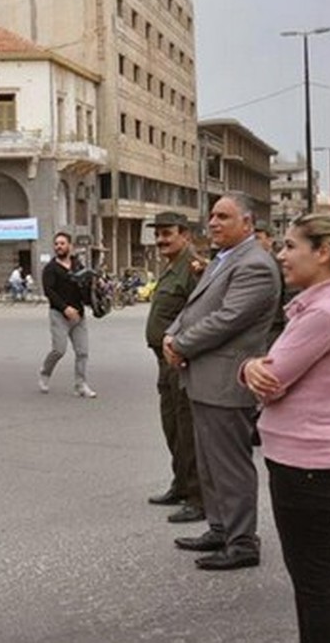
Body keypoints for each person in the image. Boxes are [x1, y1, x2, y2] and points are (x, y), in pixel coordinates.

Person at [242, 215, 330, 642]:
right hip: (305, 462)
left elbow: (272, 381)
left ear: (322, 253)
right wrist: (250, 368)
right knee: (311, 583)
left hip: (310, 467)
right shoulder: (321, 307)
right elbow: (267, 376)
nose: (281, 255)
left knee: (316, 587)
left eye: (290, 246)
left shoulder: (324, 313)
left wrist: (248, 368)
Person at [163, 192, 280, 570]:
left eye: (224, 216)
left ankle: (243, 540)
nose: (213, 222)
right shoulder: (222, 259)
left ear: (247, 223)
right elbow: (194, 307)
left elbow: (228, 318)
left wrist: (180, 344)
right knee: (210, 462)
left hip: (226, 380)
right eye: (212, 215)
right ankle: (220, 527)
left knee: (230, 464)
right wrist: (172, 333)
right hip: (202, 377)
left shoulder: (256, 265)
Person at [144, 212, 204, 524]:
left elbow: (202, 313)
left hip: (181, 361)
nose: (161, 240)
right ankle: (180, 484)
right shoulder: (172, 266)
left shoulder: (194, 268)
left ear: (186, 235)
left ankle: (198, 497)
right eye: (158, 234)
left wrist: (182, 348)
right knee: (172, 427)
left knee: (187, 430)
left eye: (167, 233)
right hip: (163, 361)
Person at [38, 231, 96, 398]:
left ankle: (80, 385)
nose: (59, 247)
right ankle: (45, 372)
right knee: (59, 350)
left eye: (62, 243)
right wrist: (65, 309)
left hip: (79, 316)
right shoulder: (50, 269)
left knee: (82, 352)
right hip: (59, 315)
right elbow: (49, 292)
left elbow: (85, 288)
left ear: (70, 246)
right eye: (56, 244)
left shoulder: (78, 266)